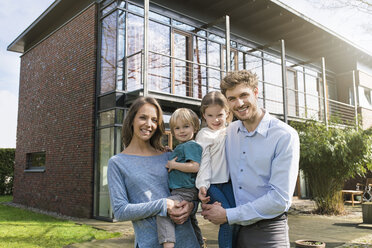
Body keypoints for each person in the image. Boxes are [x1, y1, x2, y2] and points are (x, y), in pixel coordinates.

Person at [201, 70, 300, 247]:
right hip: (234, 231)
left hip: (268, 232)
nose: (239, 103)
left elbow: (279, 199)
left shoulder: (284, 135)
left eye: (244, 95)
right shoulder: (229, 132)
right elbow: (208, 158)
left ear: (255, 92)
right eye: (232, 98)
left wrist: (228, 215)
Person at [107, 97, 199, 248]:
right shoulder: (117, 162)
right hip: (150, 243)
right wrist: (162, 204)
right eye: (143, 117)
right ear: (131, 120)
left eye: (154, 120)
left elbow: (188, 189)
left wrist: (191, 206)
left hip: (188, 240)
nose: (149, 124)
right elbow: (120, 211)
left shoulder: (168, 156)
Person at [157, 108, 204, 248]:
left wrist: (173, 164)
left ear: (195, 127)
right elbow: (183, 159)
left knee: (164, 209)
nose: (181, 131)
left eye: (186, 126)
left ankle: (168, 244)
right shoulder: (183, 146)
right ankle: (200, 243)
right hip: (183, 190)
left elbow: (195, 166)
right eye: (177, 128)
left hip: (185, 190)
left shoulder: (191, 145)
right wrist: (170, 153)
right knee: (191, 219)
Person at [195, 91, 236, 248]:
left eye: (219, 114)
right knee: (227, 219)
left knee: (237, 220)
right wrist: (202, 186)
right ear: (204, 115)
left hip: (229, 183)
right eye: (210, 115)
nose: (215, 120)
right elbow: (203, 162)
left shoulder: (232, 130)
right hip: (212, 184)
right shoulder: (204, 135)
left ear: (227, 112)